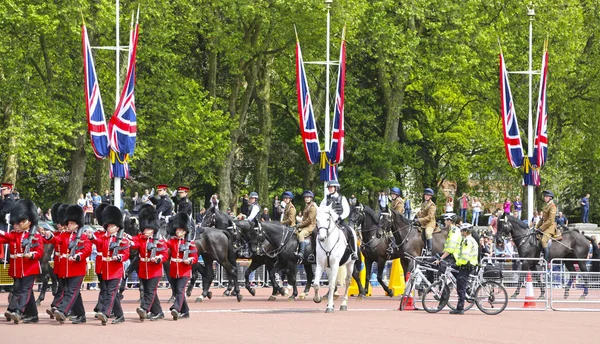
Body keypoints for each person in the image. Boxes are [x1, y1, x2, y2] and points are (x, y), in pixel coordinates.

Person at [41, 205, 92, 324]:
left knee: (71, 292)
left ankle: (63, 311)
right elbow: (56, 240)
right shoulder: (63, 235)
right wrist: (49, 235)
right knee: (75, 293)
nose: (69, 225)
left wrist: (79, 256)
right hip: (66, 269)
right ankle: (81, 315)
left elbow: (87, 250)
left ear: (77, 224)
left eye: (71, 223)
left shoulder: (83, 237)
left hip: (77, 269)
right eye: (68, 223)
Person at [0, 199, 44, 324]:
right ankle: (32, 315)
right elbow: (5, 237)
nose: (16, 225)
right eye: (15, 223)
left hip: (30, 267)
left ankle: (18, 311)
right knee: (21, 290)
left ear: (28, 222)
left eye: (18, 223)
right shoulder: (16, 234)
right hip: (18, 268)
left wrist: (31, 255)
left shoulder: (34, 236)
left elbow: (40, 252)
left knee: (25, 290)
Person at [88, 205, 130, 325]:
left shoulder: (122, 240)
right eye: (109, 225)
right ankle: (120, 315)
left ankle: (105, 313)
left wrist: (119, 257)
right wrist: (92, 237)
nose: (110, 228)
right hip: (105, 269)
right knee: (110, 293)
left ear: (118, 227)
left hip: (115, 270)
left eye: (112, 226)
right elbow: (99, 241)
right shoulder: (105, 238)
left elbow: (126, 254)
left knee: (111, 292)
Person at [132, 205, 167, 321]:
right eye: (145, 229)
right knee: (149, 291)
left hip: (155, 270)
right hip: (143, 269)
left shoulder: (159, 240)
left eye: (149, 229)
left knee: (150, 291)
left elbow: (165, 254)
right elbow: (135, 243)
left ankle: (144, 308)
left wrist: (158, 258)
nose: (146, 231)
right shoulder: (140, 238)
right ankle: (158, 312)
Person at [165, 213, 198, 320]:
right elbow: (165, 245)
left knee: (180, 290)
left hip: (184, 270)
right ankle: (186, 311)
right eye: (177, 230)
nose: (178, 232)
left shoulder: (190, 243)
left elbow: (195, 257)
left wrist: (190, 260)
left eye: (180, 230)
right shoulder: (172, 241)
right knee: (178, 291)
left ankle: (176, 308)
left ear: (184, 231)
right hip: (174, 270)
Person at [320, 180, 358, 260]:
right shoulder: (325, 199)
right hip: (328, 222)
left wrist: (341, 217)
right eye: (329, 188)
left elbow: (346, 210)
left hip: (339, 221)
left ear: (336, 188)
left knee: (350, 232)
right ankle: (314, 253)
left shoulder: (342, 198)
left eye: (331, 187)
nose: (329, 189)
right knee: (317, 232)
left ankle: (353, 252)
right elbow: (321, 208)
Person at [449, 223, 478, 315]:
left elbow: (465, 256)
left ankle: (460, 308)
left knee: (461, 286)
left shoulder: (467, 241)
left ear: (465, 232)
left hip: (466, 265)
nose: (460, 232)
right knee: (460, 283)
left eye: (461, 230)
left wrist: (456, 263)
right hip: (467, 264)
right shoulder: (468, 239)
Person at [297, 190, 317, 262]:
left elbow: (309, 219)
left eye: (308, 197)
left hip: (310, 226)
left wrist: (300, 225)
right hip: (305, 226)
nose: (306, 198)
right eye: (305, 197)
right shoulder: (306, 206)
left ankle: (302, 253)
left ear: (311, 198)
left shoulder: (312, 207)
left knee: (301, 235)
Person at [416, 188, 437, 256]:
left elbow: (429, 217)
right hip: (423, 222)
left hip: (430, 223)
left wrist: (419, 220)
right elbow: (422, 213)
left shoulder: (432, 205)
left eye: (428, 195)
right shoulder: (424, 203)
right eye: (425, 195)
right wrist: (417, 216)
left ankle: (429, 250)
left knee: (427, 233)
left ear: (430, 196)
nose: (426, 196)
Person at [537, 190, 557, 260]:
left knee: (543, 240)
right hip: (545, 227)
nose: (544, 198)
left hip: (550, 227)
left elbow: (550, 220)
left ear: (550, 198)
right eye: (544, 196)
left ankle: (547, 260)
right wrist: (536, 227)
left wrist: (541, 228)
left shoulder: (553, 206)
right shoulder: (547, 206)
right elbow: (542, 219)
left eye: (546, 196)